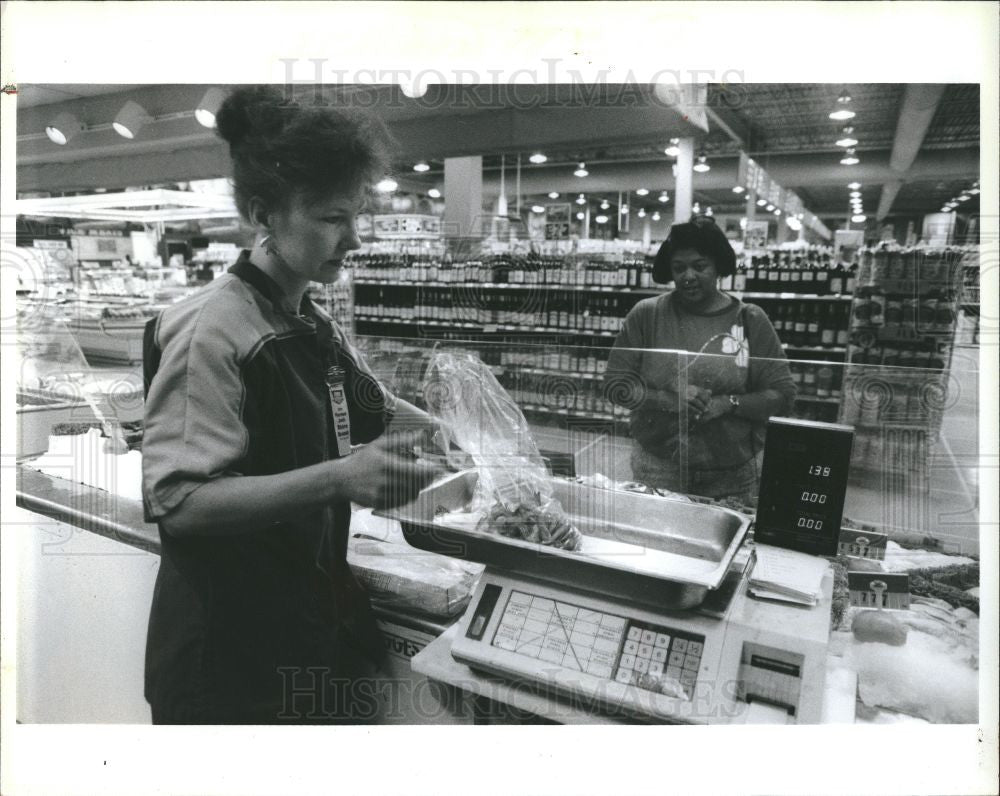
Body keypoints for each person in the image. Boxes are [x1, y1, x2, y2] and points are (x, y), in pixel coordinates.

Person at [141, 86, 443, 724]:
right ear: (263, 214)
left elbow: (381, 413)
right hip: (223, 661)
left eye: (356, 216)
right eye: (333, 219)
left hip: (299, 630)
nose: (353, 239)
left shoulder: (310, 323)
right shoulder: (211, 330)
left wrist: (474, 438)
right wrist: (342, 476)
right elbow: (179, 501)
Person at [606, 216, 795, 504]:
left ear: (718, 266)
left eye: (699, 266)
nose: (688, 276)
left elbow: (783, 395)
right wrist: (669, 400)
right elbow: (616, 385)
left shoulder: (749, 319)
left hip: (731, 474)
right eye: (679, 268)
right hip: (658, 467)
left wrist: (727, 404)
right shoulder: (647, 314)